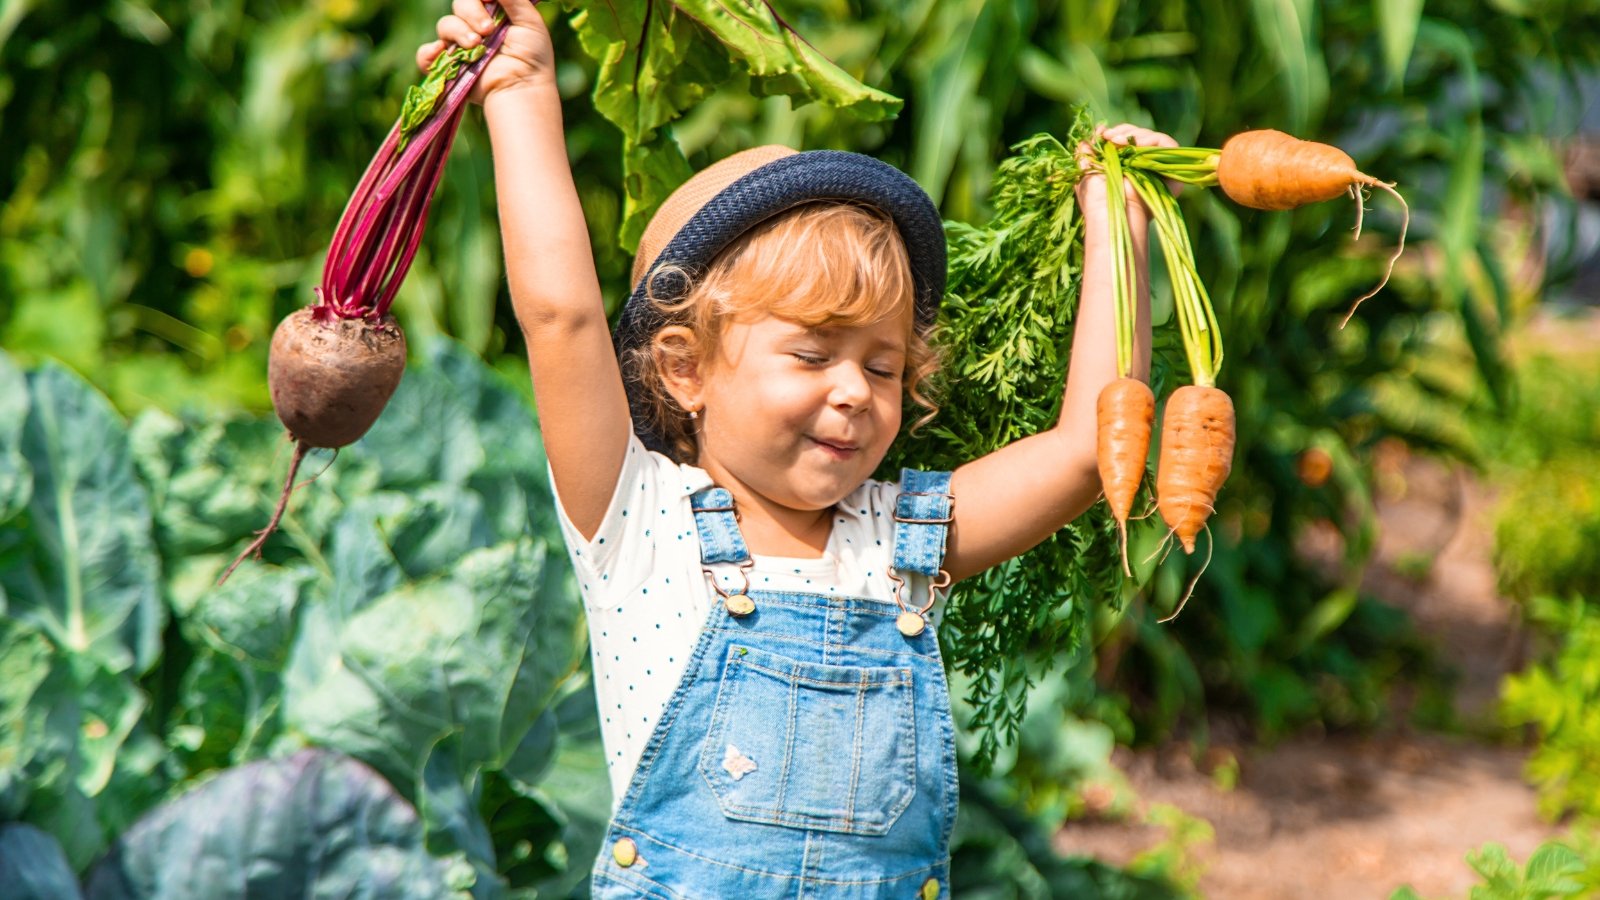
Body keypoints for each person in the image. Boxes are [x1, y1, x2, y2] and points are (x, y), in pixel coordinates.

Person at [423, 1, 1170, 895]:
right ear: (685, 369)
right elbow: (560, 316)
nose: (854, 390)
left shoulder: (900, 544)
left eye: (884, 367)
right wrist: (521, 92)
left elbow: (1093, 446)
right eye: (812, 354)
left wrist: (1120, 226)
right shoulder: (638, 522)